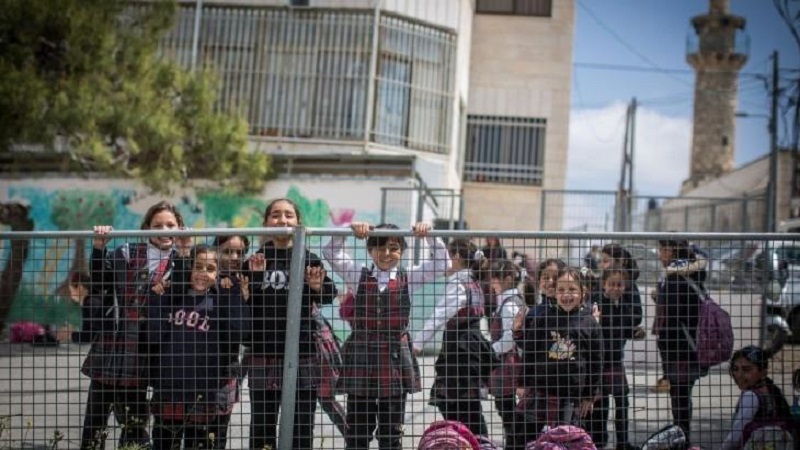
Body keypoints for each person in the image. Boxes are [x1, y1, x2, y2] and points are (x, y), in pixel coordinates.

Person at [323, 221, 449, 450]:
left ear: (402, 251)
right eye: (380, 247)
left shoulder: (410, 277)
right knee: (357, 431)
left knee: (391, 432)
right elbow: (330, 252)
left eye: (393, 248)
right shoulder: (357, 274)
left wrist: (428, 235)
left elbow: (443, 263)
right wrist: (350, 228)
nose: (386, 254)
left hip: (394, 359)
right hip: (361, 357)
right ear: (369, 250)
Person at [79, 200, 186, 450]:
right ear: (146, 229)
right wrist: (99, 247)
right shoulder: (127, 252)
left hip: (147, 347)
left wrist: (185, 252)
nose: (164, 230)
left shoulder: (182, 260)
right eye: (157, 225)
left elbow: (183, 295)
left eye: (170, 225)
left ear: (180, 228)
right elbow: (100, 281)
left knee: (134, 419)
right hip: (114, 343)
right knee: (96, 415)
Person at [244, 198, 337, 450]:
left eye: (288, 215)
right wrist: (254, 280)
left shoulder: (309, 259)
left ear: (298, 222)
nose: (282, 220)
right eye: (275, 215)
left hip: (302, 354)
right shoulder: (255, 260)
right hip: (263, 352)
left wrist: (317, 287)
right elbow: (244, 302)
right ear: (266, 223)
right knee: (261, 426)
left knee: (301, 425)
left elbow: (329, 295)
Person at [146, 244, 250, 450]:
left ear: (218, 273)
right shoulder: (172, 298)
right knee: (164, 442)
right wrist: (157, 301)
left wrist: (231, 295)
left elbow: (240, 333)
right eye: (198, 267)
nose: (203, 273)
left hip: (204, 392)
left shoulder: (220, 302)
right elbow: (153, 336)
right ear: (189, 269)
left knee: (199, 444)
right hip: (170, 388)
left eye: (210, 269)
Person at [413, 238, 496, 438]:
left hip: (460, 350)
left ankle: (472, 442)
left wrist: (417, 344)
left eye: (445, 256)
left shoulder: (459, 283)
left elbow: (439, 315)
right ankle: (475, 441)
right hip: (470, 348)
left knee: (457, 406)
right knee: (467, 408)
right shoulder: (474, 282)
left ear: (456, 257)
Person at [517, 266, 603, 445]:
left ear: (583, 292)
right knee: (529, 439)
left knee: (565, 440)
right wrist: (522, 383)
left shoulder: (589, 323)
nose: (566, 295)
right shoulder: (542, 320)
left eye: (572, 289)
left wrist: (589, 395)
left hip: (571, 395)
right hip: (541, 391)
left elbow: (596, 362)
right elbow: (529, 353)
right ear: (554, 292)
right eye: (561, 289)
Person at [654, 238, 705, 445]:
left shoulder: (675, 278)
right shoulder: (688, 274)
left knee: (680, 399)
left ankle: (683, 440)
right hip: (688, 344)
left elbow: (675, 315)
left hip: (679, 346)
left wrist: (662, 298)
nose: (660, 254)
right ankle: (683, 437)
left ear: (673, 251)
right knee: (682, 396)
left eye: (663, 250)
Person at [586, 268, 642, 450]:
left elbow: (624, 328)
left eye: (619, 285)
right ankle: (599, 441)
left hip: (616, 361)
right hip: (599, 363)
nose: (616, 288)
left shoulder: (623, 305)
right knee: (600, 404)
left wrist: (634, 332)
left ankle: (622, 442)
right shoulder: (597, 304)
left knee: (622, 402)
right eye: (612, 284)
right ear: (604, 284)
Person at [212, 234, 251, 449]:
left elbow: (243, 333)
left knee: (218, 432)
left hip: (225, 367)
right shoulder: (200, 279)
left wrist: (240, 297)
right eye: (228, 251)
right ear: (215, 251)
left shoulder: (243, 282)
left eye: (240, 253)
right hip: (193, 365)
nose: (235, 257)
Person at [721, 341, 795, 450]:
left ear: (763, 373)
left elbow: (736, 434)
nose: (739, 375)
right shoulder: (770, 389)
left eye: (747, 369)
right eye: (735, 369)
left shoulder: (751, 396)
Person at [486, 259, 526, 449]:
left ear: (508, 279)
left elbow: (511, 338)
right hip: (506, 365)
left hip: (509, 366)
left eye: (495, 277)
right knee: (508, 414)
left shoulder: (510, 304)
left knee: (509, 414)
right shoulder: (508, 301)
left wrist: (489, 350)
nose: (492, 282)